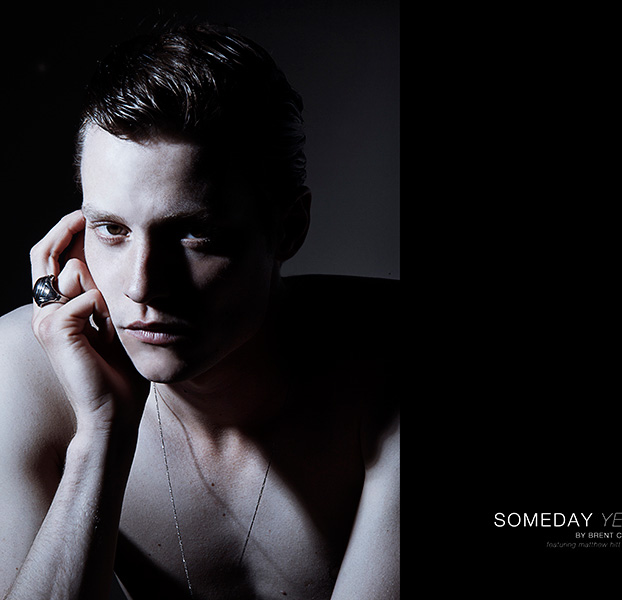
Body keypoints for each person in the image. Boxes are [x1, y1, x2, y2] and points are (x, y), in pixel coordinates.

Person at [0, 22, 399, 600]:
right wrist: (102, 435)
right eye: (111, 230)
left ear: (289, 228)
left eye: (194, 234)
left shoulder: (384, 366)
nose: (143, 286)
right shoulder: (21, 370)